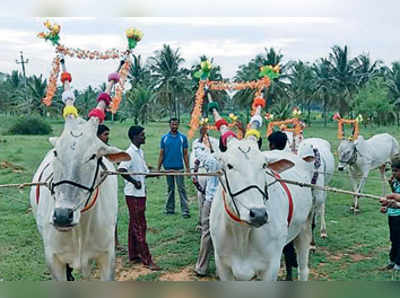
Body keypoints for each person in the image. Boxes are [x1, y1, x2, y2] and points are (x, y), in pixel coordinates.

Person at [118, 126, 161, 271]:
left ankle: (133, 255)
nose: (145, 137)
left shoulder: (139, 152)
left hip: (140, 194)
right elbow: (121, 170)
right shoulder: (129, 153)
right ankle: (147, 259)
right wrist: (134, 182)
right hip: (133, 195)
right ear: (135, 137)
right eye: (142, 135)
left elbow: (144, 173)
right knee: (140, 226)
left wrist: (160, 173)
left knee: (134, 224)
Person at [268, 130, 298, 281]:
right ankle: (289, 274)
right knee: (288, 243)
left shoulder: (267, 160)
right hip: (292, 204)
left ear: (271, 144)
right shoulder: (290, 159)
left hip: (275, 207)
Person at [192, 133, 220, 277]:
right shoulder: (231, 160)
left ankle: (201, 267)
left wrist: (200, 140)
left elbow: (197, 151)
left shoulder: (213, 160)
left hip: (211, 200)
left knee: (206, 232)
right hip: (224, 202)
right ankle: (221, 269)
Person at [157, 118, 191, 218]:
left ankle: (185, 211)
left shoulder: (182, 138)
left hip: (179, 168)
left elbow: (185, 154)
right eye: (172, 124)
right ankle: (170, 209)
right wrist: (158, 169)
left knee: (181, 189)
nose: (174, 126)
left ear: (178, 125)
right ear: (169, 125)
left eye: (176, 124)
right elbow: (161, 154)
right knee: (170, 188)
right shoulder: (164, 138)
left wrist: (188, 169)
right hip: (167, 168)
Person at [96, 124, 121, 249]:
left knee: (113, 213)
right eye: (105, 134)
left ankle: (115, 241)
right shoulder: (93, 152)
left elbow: (121, 158)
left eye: (107, 134)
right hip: (98, 189)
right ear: (98, 135)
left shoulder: (108, 149)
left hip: (110, 187)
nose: (107, 137)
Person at [380, 154, 400, 271]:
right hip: (393, 215)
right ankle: (392, 261)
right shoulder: (396, 182)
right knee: (393, 239)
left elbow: (396, 197)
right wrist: (386, 206)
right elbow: (394, 198)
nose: (393, 174)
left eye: (396, 171)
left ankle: (398, 263)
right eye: (392, 171)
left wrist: (391, 196)